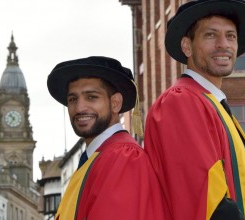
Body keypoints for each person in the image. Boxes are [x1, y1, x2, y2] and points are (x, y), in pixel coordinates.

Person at [144, 0, 245, 219]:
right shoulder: (180, 103)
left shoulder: (212, 104)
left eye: (231, 36)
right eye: (211, 35)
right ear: (187, 46)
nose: (223, 44)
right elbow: (208, 200)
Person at [47, 56, 171, 220]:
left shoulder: (124, 158)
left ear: (115, 103)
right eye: (73, 99)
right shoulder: (94, 159)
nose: (79, 107)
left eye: (91, 97)